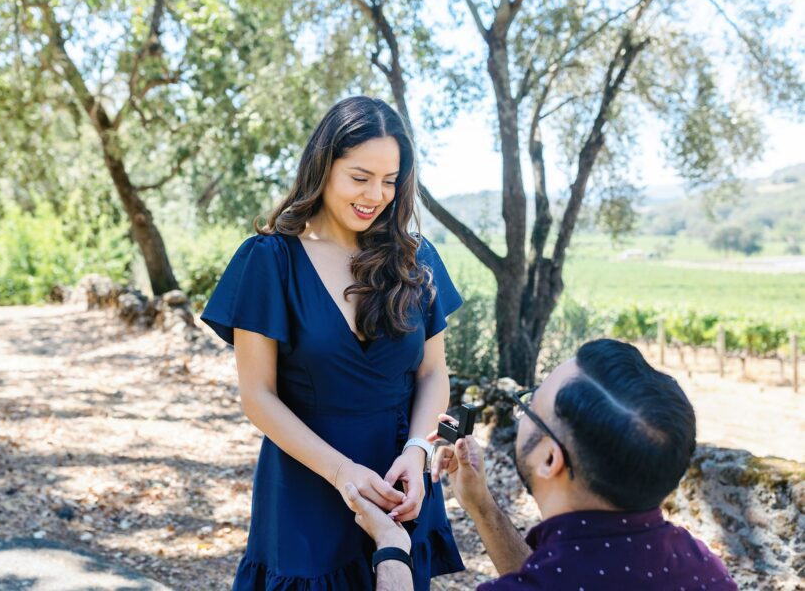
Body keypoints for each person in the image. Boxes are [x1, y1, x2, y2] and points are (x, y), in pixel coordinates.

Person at [200, 96, 465, 590]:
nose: (377, 195)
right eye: (360, 177)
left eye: (390, 180)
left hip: (398, 479)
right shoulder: (269, 260)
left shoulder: (416, 260)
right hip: (306, 484)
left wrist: (418, 452)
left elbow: (432, 373)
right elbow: (257, 397)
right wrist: (342, 473)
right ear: (323, 167)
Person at [346, 339, 738, 590]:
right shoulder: (705, 569)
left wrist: (393, 548)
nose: (525, 410)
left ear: (551, 458)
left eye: (530, 405)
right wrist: (481, 505)